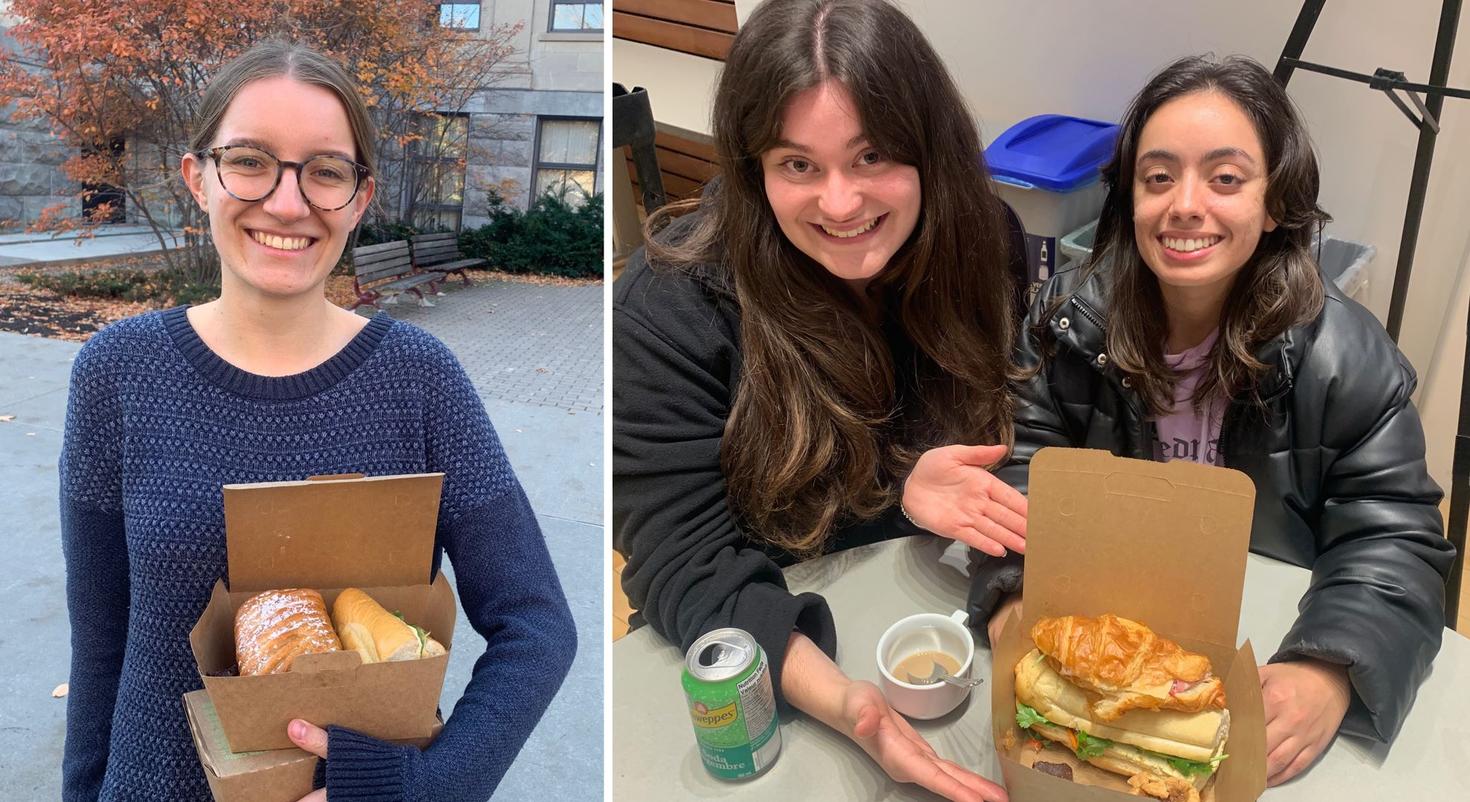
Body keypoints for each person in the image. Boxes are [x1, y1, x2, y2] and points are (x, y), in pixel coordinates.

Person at [59, 40, 575, 801]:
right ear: (197, 178)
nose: (289, 203)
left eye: (325, 171)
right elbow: (101, 644)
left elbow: (538, 627)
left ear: (360, 198)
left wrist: (423, 789)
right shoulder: (117, 373)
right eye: (250, 160)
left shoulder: (421, 381)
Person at [955, 54, 1456, 787]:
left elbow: (1396, 538)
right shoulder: (1065, 323)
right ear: (1127, 196)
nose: (1185, 205)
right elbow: (1019, 478)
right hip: (1105, 645)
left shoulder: (1347, 357)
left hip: (1266, 644)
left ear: (1275, 200)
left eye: (1225, 179)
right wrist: (1018, 597)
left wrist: (1329, 669)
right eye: (1158, 178)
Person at [614, 1, 1028, 799]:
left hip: (937, 613)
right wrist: (851, 709)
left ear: (929, 150)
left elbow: (1008, 450)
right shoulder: (668, 311)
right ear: (750, 167)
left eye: (872, 156)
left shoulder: (984, 243)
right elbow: (682, 560)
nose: (840, 204)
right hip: (760, 659)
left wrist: (937, 513)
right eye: (797, 165)